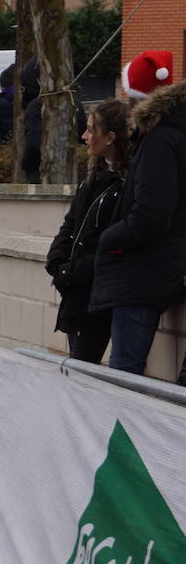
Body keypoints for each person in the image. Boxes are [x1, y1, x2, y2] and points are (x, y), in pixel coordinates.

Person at [88, 51, 185, 376]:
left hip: (146, 274)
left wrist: (110, 238)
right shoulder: (169, 133)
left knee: (123, 375)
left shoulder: (159, 140)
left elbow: (151, 216)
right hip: (158, 267)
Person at [46, 99, 129, 364]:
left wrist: (72, 271)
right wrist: (58, 261)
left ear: (111, 137)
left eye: (91, 130)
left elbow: (115, 244)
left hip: (100, 291)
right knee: (78, 363)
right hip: (78, 291)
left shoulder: (126, 186)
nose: (84, 137)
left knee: (84, 370)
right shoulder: (93, 178)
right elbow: (71, 224)